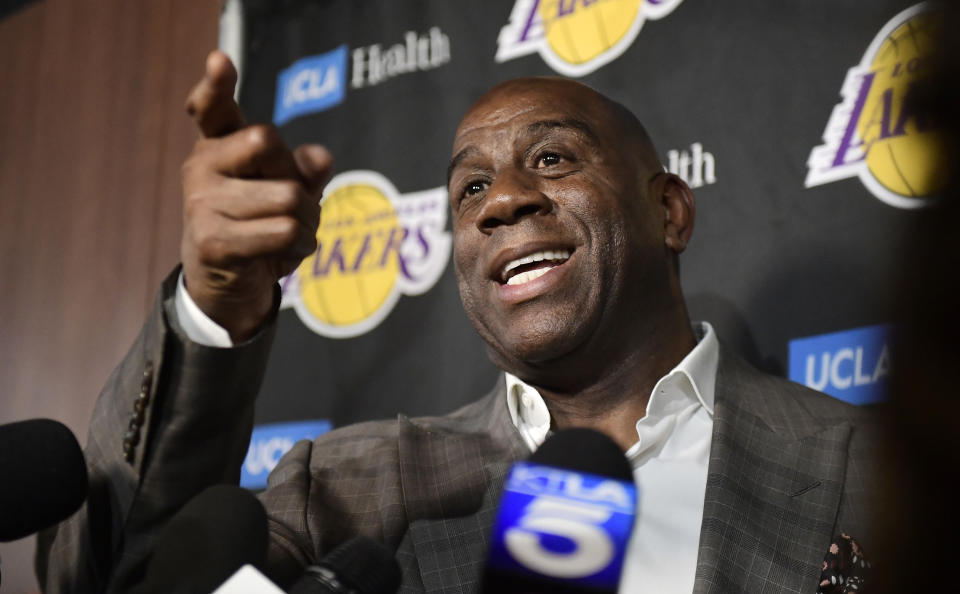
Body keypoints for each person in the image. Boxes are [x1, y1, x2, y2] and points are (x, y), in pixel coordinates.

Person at [37, 52, 878, 594]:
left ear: (669, 212)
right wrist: (215, 301)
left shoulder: (878, 467)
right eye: (470, 187)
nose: (502, 201)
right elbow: (112, 577)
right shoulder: (345, 486)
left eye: (551, 158)